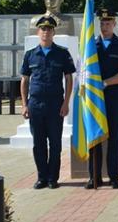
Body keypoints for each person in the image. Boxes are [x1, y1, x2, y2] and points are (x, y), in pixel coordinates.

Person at [20, 16, 76, 189]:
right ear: (38, 32)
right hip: (35, 105)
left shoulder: (62, 53)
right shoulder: (30, 55)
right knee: (38, 144)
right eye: (43, 29)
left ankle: (53, 178)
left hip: (55, 105)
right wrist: (24, 104)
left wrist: (66, 103)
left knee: (55, 143)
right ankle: (41, 177)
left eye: (49, 29)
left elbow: (68, 78)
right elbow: (24, 80)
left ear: (53, 32)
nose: (46, 32)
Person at [86, 9, 118, 190]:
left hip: (113, 97)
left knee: (114, 138)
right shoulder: (90, 46)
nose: (104, 27)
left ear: (114, 24)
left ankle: (114, 176)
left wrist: (105, 83)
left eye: (108, 23)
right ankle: (94, 177)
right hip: (94, 99)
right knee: (95, 138)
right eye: (102, 23)